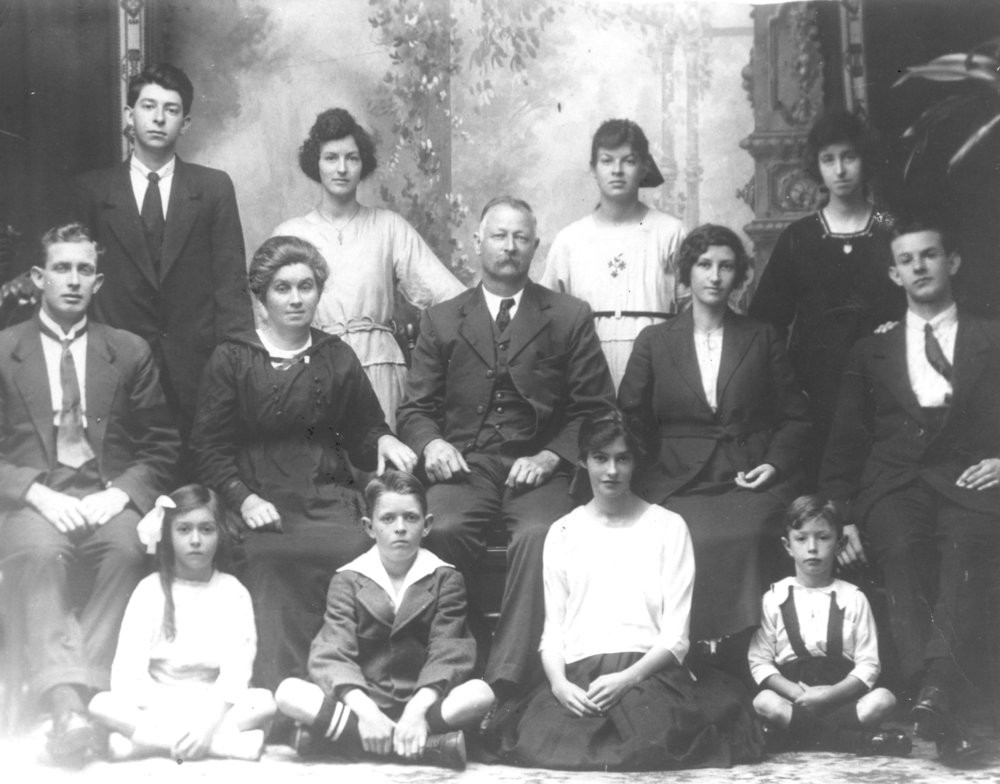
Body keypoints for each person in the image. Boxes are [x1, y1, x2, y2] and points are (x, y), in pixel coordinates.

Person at [397, 196, 615, 701]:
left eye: (521, 238)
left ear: (535, 246)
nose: (510, 247)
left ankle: (508, 680)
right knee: (444, 527)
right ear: (477, 243)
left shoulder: (567, 315)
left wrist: (552, 456)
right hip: (465, 468)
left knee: (542, 535)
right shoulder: (442, 319)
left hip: (538, 468)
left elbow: (596, 407)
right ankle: (459, 662)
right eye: (499, 235)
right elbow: (414, 410)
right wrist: (430, 445)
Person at [190, 235, 416, 693]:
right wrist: (242, 498)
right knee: (271, 560)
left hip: (328, 493)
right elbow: (207, 448)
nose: (296, 298)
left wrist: (386, 438)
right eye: (282, 288)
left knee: (358, 551)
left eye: (307, 286)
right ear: (262, 297)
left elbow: (363, 430)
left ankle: (356, 690)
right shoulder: (232, 357)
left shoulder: (335, 356)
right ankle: (285, 694)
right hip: (260, 498)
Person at [819, 215, 1000, 766]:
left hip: (969, 482)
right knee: (899, 548)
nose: (918, 266)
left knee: (966, 547)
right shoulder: (870, 350)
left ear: (953, 262)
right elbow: (843, 443)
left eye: (929, 255)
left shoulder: (991, 337)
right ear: (894, 274)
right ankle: (942, 694)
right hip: (893, 484)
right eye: (906, 260)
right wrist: (842, 515)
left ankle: (934, 694)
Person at [493, 411, 763, 770]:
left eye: (623, 459)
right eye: (600, 458)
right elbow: (552, 633)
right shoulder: (562, 532)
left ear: (637, 462)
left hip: (648, 673)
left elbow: (676, 636)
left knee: (653, 740)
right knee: (542, 740)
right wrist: (559, 685)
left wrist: (627, 679)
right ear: (582, 461)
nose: (611, 471)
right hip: (580, 676)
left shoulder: (668, 527)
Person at [0, 224, 179, 762]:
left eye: (83, 271)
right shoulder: (5, 351)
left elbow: (162, 446)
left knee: (125, 550)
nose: (72, 281)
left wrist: (122, 494)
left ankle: (71, 700)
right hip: (37, 497)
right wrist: (33, 492)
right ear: (38, 278)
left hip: (105, 494)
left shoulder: (127, 351)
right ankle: (71, 708)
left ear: (98, 282)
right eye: (61, 268)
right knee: (38, 553)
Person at [619, 224, 810, 651]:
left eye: (726, 266)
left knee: (747, 533)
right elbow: (630, 418)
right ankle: (689, 651)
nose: (715, 276)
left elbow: (796, 417)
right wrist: (648, 473)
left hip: (749, 475)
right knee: (678, 534)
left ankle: (744, 652)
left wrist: (774, 464)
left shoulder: (761, 336)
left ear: (739, 276)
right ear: (687, 272)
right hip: (676, 479)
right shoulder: (654, 341)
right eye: (704, 264)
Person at [73, 63, 252, 443]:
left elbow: (231, 288)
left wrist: (235, 372)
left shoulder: (213, 188)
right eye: (148, 106)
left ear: (185, 123)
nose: (158, 118)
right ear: (129, 115)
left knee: (196, 493)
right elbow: (78, 291)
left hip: (197, 375)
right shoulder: (91, 192)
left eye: (171, 110)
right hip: (116, 371)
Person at [275, 471, 494, 769]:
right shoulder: (349, 579)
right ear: (369, 527)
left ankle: (345, 740)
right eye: (388, 519)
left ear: (427, 525)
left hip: (423, 703)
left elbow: (450, 651)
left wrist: (417, 711)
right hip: (363, 703)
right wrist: (366, 712)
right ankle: (425, 747)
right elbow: (331, 652)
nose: (400, 528)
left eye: (411, 518)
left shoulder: (446, 578)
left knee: (480, 694)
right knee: (289, 692)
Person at [271, 108, 465, 428]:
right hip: (312, 372)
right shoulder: (290, 234)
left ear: (364, 165)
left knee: (383, 471)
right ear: (315, 164)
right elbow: (270, 319)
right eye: (331, 158)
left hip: (380, 369)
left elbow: (445, 294)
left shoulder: (388, 227)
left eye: (352, 158)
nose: (342, 168)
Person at [749, 111, 904, 487]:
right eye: (828, 159)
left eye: (849, 157)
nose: (840, 169)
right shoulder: (799, 237)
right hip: (815, 382)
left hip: (884, 377)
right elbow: (766, 321)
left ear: (865, 159)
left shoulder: (891, 228)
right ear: (817, 166)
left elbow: (922, 302)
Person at [88, 485, 276, 762]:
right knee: (101, 704)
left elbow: (237, 671)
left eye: (206, 529)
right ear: (168, 535)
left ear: (220, 534)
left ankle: (143, 744)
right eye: (184, 529)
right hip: (157, 701)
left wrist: (206, 724)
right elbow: (128, 671)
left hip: (212, 704)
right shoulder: (149, 590)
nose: (196, 540)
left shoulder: (233, 592)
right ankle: (221, 745)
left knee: (263, 703)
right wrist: (169, 714)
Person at [748, 495, 910, 757]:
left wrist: (829, 695)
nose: (812, 548)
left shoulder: (853, 598)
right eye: (801, 538)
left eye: (823, 537)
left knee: (883, 699)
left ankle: (792, 737)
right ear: (787, 545)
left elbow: (869, 664)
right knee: (763, 702)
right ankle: (858, 742)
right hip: (795, 700)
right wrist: (795, 692)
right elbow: (759, 662)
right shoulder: (774, 598)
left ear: (840, 544)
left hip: (841, 699)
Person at [539, 118, 686, 389]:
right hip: (586, 373)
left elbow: (691, 313)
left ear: (644, 167)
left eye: (628, 161)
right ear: (593, 169)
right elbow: (548, 321)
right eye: (607, 161)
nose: (617, 170)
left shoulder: (669, 233)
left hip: (659, 371)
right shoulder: (570, 240)